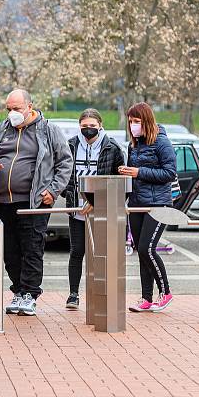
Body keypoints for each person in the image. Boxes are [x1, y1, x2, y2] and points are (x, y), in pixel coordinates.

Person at [0, 89, 73, 316]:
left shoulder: (48, 130)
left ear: (29, 107)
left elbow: (65, 162)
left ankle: (30, 294)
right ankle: (18, 291)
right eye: (9, 109)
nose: (12, 113)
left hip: (34, 202)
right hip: (3, 201)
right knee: (9, 251)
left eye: (17, 109)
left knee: (31, 248)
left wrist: (53, 190)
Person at [117, 102, 177, 313]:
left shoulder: (162, 142)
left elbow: (170, 173)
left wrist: (138, 172)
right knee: (140, 252)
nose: (133, 125)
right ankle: (146, 297)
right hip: (137, 204)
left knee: (147, 248)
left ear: (146, 121)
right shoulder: (133, 145)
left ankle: (165, 292)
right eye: (130, 121)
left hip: (158, 204)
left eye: (137, 121)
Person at [62, 108, 125, 309]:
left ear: (100, 126)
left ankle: (101, 292)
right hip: (76, 210)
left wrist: (97, 201)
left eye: (92, 127)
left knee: (100, 253)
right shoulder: (71, 145)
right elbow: (63, 174)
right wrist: (69, 195)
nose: (88, 130)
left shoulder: (112, 147)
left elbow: (118, 180)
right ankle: (73, 294)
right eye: (84, 127)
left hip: (101, 210)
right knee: (77, 251)